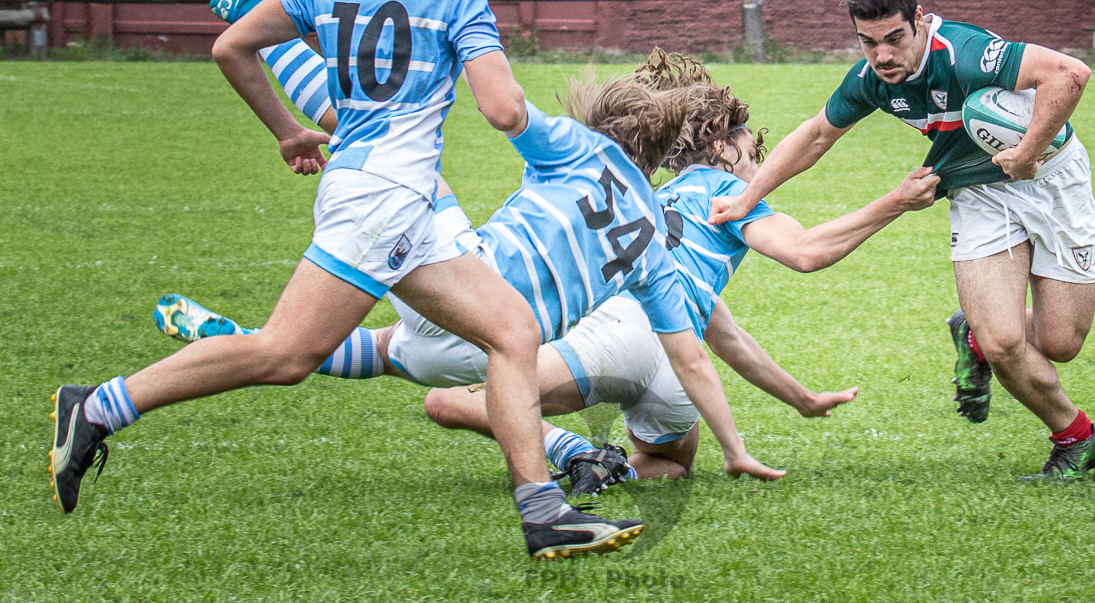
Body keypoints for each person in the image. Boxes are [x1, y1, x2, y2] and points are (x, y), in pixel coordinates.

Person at [47, 0, 640, 560]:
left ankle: (544, 511)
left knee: (512, 331)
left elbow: (232, 45)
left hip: (397, 200)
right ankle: (97, 406)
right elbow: (502, 109)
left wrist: (287, 134)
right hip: (382, 200)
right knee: (285, 354)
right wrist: (519, 109)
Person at [158, 51, 937, 490]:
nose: (759, 162)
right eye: (752, 148)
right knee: (658, 457)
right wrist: (895, 201)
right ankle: (571, 467)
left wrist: (799, 400)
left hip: (538, 309)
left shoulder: (650, 194)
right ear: (722, 151)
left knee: (428, 369)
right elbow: (796, 260)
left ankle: (255, 345)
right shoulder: (727, 193)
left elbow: (722, 332)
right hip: (638, 348)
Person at [709, 0, 1095, 482]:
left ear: (920, 19)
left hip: (1052, 178)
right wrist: (746, 196)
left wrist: (1027, 151)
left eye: (894, 38)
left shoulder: (966, 55)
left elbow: (1069, 73)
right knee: (1003, 340)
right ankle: (1076, 438)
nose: (883, 55)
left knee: (1062, 343)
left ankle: (973, 332)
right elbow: (817, 134)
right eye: (868, 42)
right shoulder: (871, 78)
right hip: (978, 194)